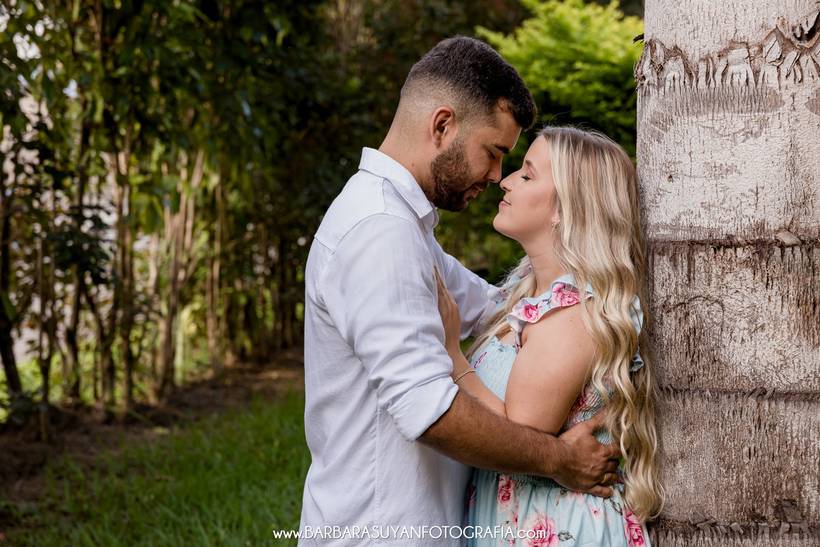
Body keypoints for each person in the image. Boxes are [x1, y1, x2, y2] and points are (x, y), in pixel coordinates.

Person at [299, 38, 621, 546]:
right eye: (494, 153)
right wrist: (560, 459)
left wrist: (589, 288)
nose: (497, 176)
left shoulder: (404, 227)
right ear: (443, 125)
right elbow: (429, 410)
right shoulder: (380, 231)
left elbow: (504, 310)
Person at [436, 126, 664, 546]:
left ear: (565, 209)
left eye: (526, 175)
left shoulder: (572, 314)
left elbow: (518, 435)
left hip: (557, 527)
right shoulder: (530, 289)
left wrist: (453, 357)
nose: (504, 181)